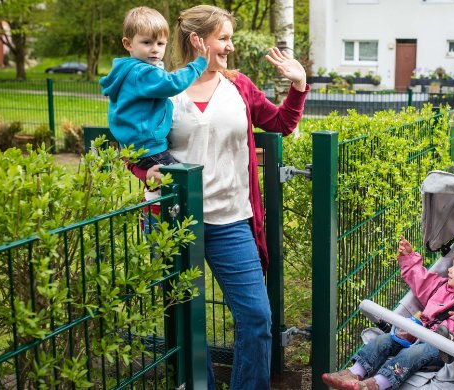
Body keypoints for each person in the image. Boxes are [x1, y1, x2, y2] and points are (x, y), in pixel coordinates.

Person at [128, 5, 309, 389]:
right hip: (175, 221)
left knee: (257, 318)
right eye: (223, 38)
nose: (229, 47)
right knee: (185, 320)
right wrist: (147, 171)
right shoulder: (162, 89)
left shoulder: (238, 85)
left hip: (231, 220)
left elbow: (279, 123)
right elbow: (135, 147)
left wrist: (298, 85)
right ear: (198, 41)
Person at [321, 236, 454, 390]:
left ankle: (377, 383)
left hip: (441, 348)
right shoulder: (440, 285)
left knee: (410, 355)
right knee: (382, 340)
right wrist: (408, 258)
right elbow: (420, 279)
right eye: (451, 266)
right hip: (415, 333)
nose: (450, 270)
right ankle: (354, 373)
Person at [100, 6, 209, 174]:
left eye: (160, 43)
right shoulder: (142, 72)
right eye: (147, 42)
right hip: (150, 148)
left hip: (134, 147)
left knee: (172, 186)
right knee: (182, 181)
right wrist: (197, 65)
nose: (155, 49)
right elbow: (172, 83)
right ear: (127, 44)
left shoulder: (127, 70)